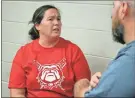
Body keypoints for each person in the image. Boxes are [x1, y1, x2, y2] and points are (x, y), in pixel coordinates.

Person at [8, 5, 92, 97]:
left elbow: (83, 86)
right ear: (37, 25)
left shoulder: (73, 51)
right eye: (51, 19)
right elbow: (17, 93)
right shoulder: (24, 53)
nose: (56, 23)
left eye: (58, 19)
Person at [74, 0, 135, 97]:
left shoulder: (128, 61)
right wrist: (103, 84)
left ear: (123, 9)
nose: (111, 15)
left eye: (113, 6)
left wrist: (81, 88)